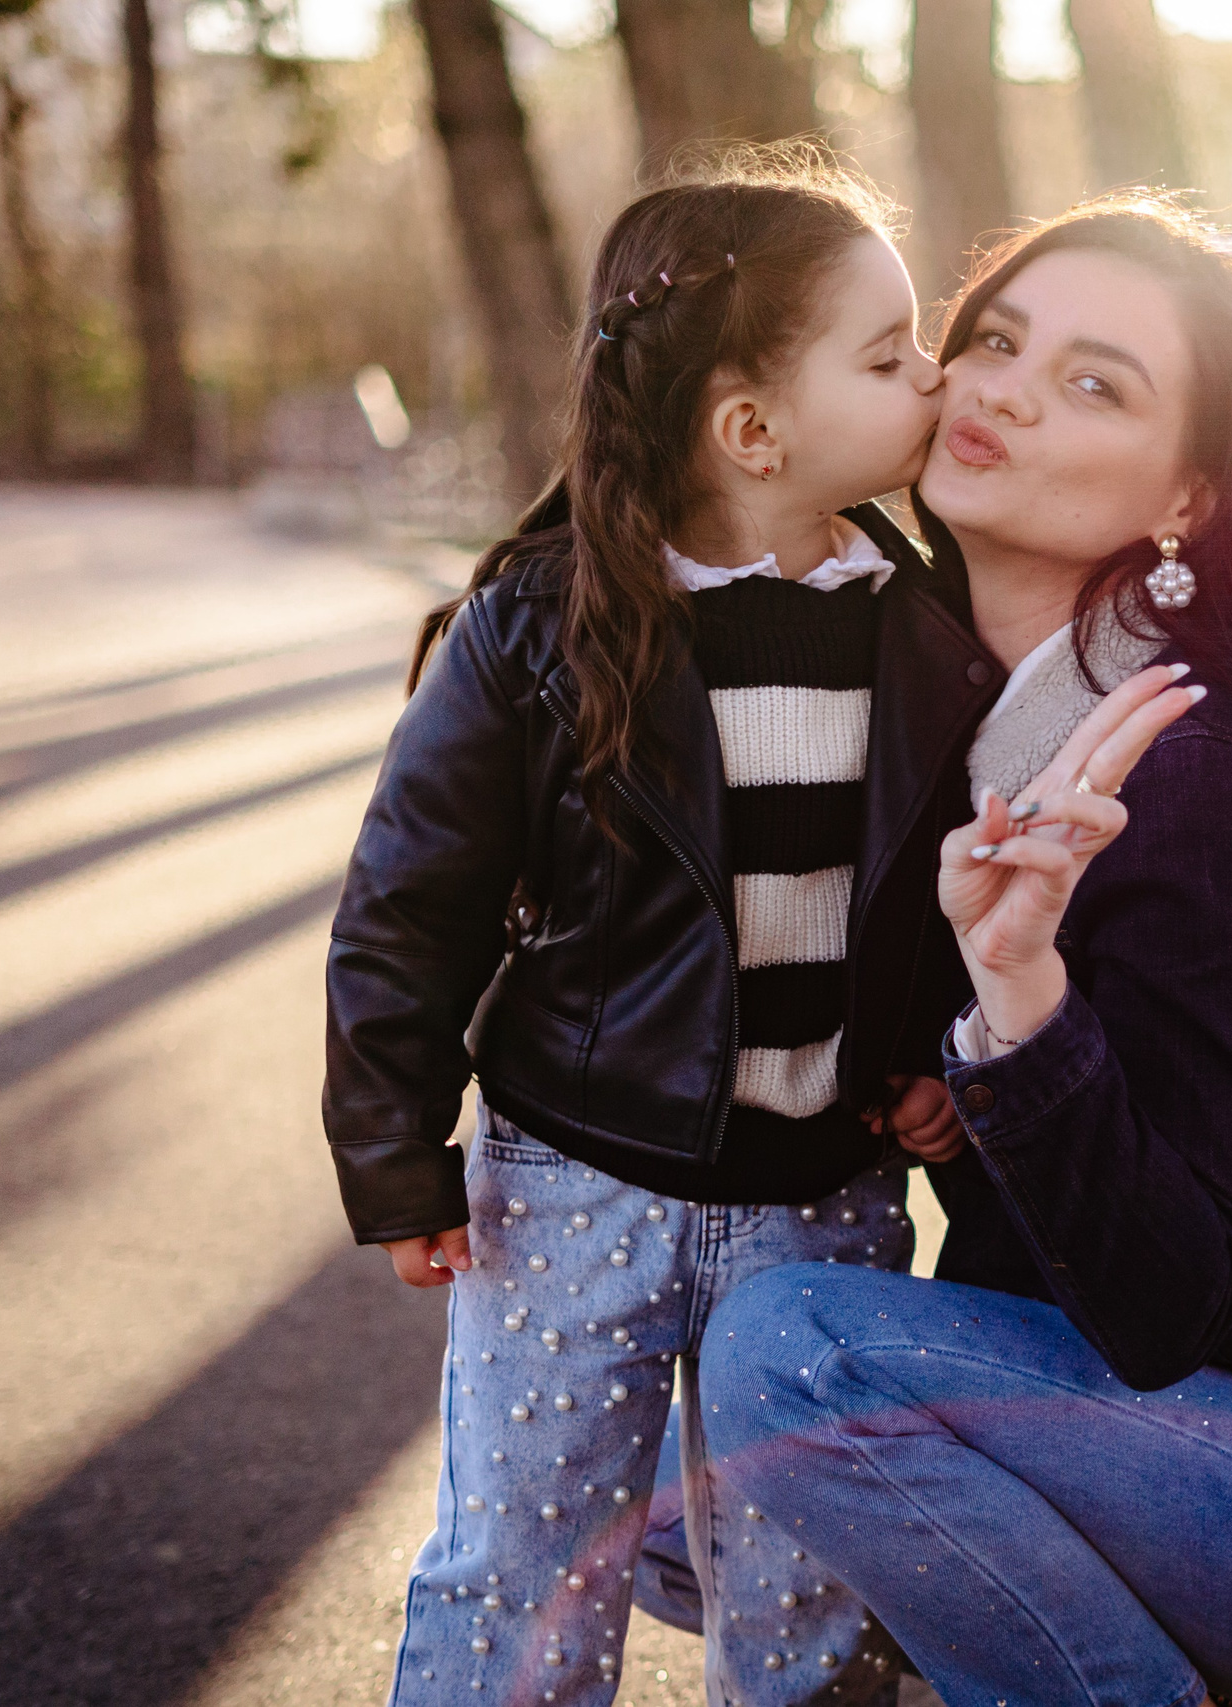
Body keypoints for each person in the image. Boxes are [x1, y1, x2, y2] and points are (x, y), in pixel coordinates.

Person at [696, 198, 1232, 1707]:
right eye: (995, 341)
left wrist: (1022, 1006)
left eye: (1097, 384)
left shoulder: (1197, 769)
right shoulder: (977, 713)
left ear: (1196, 500)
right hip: (1197, 1439)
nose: (1006, 392)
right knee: (675, 1491)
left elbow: (1166, 1306)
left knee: (790, 1361)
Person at [323, 155, 998, 1707]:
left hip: (818, 1209)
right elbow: (405, 905)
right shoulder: (543, 631)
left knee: (815, 1599)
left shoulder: (928, 633)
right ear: (753, 429)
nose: (935, 376)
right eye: (889, 357)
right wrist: (394, 1152)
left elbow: (923, 893)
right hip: (571, 1188)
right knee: (519, 1577)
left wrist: (925, 1056)